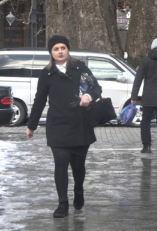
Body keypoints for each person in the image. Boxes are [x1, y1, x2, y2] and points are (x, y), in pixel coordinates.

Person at [26, 35, 102, 218]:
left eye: (63, 48)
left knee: (78, 166)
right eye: (56, 49)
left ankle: (78, 190)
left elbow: (96, 88)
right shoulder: (46, 73)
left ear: (68, 49)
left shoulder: (80, 68)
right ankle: (62, 203)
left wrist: (88, 96)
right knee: (60, 164)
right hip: (57, 125)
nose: (60, 51)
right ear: (51, 53)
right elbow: (39, 100)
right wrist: (32, 125)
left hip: (79, 125)